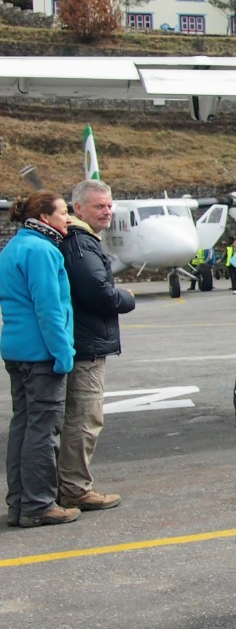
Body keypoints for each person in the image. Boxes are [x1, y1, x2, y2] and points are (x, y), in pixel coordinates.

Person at [56, 179, 135, 515]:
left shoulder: (78, 241)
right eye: (99, 206)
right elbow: (98, 292)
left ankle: (68, 485)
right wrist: (126, 298)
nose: (107, 211)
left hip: (83, 341)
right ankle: (74, 488)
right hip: (85, 345)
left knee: (78, 417)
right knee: (85, 418)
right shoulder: (81, 243)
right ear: (77, 209)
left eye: (109, 205)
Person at [0, 191, 77, 528]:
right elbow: (50, 308)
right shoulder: (43, 251)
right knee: (44, 431)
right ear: (45, 218)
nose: (68, 218)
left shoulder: (14, 246)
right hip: (41, 354)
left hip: (16, 351)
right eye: (63, 212)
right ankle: (39, 504)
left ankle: (18, 503)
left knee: (23, 425)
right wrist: (64, 354)